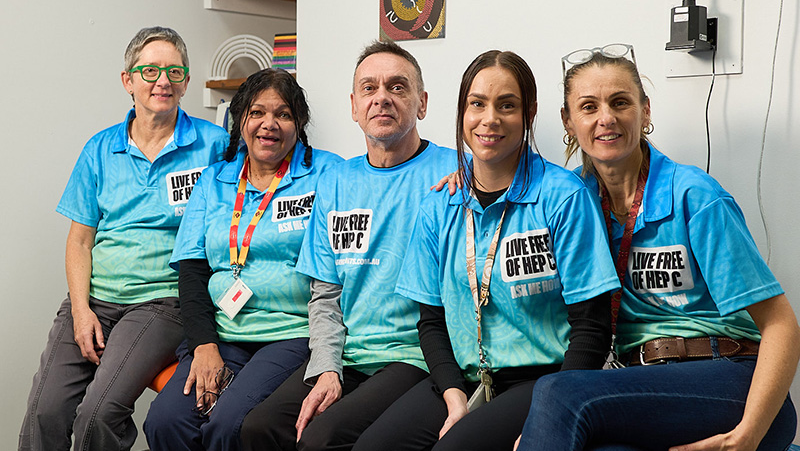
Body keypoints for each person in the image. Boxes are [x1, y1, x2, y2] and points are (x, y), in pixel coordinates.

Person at [516, 44, 800, 451]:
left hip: (731, 378)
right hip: (641, 386)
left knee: (558, 393)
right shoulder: (571, 201)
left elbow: (782, 325)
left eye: (620, 103)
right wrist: (463, 176)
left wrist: (747, 436)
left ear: (645, 111)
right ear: (568, 120)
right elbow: (505, 200)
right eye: (589, 107)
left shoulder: (694, 196)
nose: (606, 119)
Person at [350, 50, 620, 451]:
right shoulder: (440, 204)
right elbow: (431, 320)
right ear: (462, 112)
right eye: (477, 104)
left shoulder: (562, 197)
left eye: (506, 105)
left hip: (544, 379)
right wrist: (454, 395)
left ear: (528, 114)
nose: (489, 119)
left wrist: (553, 410)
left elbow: (592, 325)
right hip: (463, 375)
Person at [238, 40, 459, 451]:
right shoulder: (336, 182)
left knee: (322, 437)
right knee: (259, 429)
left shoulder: (455, 171)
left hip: (413, 356)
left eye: (398, 87)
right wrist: (326, 368)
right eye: (370, 88)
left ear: (422, 103)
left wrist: (477, 183)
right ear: (354, 106)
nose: (383, 99)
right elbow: (324, 295)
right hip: (348, 353)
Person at [19, 27, 229, 451]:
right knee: (46, 412)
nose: (162, 81)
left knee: (98, 411)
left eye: (174, 70)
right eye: (149, 71)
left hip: (162, 301)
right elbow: (80, 241)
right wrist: (80, 311)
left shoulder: (214, 145)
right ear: (127, 80)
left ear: (186, 81)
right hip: (96, 298)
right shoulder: (99, 149)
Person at [143, 68, 343, 451]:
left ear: (298, 124)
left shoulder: (327, 173)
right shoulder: (215, 180)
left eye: (283, 114)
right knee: (166, 421)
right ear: (240, 120)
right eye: (257, 113)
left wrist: (453, 176)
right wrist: (204, 347)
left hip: (290, 333)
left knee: (228, 425)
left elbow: (380, 178)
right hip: (223, 334)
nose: (269, 124)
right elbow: (192, 272)